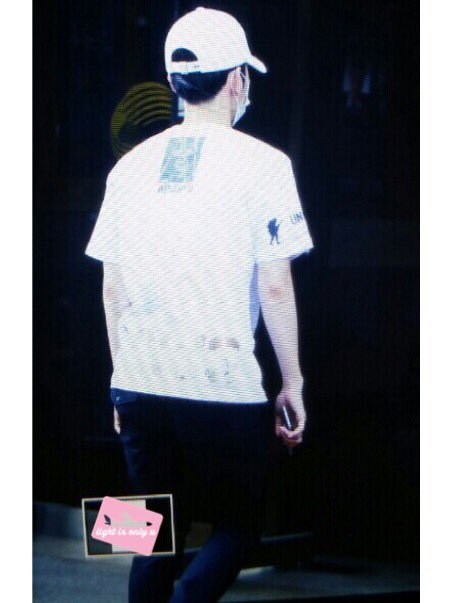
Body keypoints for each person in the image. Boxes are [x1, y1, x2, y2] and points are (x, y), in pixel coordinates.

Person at [85, 6, 314, 602]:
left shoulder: (128, 169)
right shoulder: (267, 165)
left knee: (149, 533)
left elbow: (112, 286)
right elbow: (275, 284)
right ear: (237, 78)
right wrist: (292, 382)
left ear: (174, 81)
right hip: (221, 383)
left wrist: (119, 378)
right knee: (241, 524)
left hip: (138, 382)